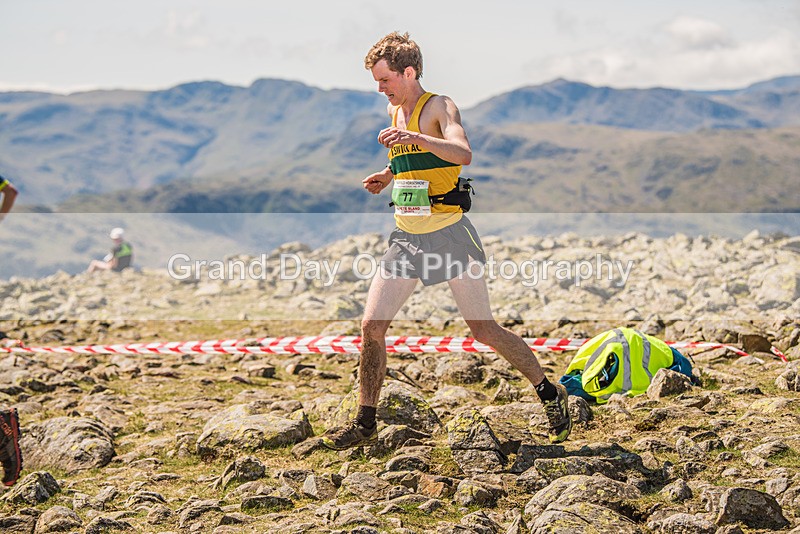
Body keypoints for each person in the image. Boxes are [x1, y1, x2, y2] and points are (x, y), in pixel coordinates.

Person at [321, 32, 572, 450]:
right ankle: (365, 423)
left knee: (483, 329)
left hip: (449, 235)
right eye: (376, 81)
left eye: (385, 80)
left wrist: (417, 138)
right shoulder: (393, 109)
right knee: (371, 327)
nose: (380, 89)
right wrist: (388, 174)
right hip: (407, 237)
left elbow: (461, 153)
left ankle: (549, 392)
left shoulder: (440, 106)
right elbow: (411, 158)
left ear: (409, 72)